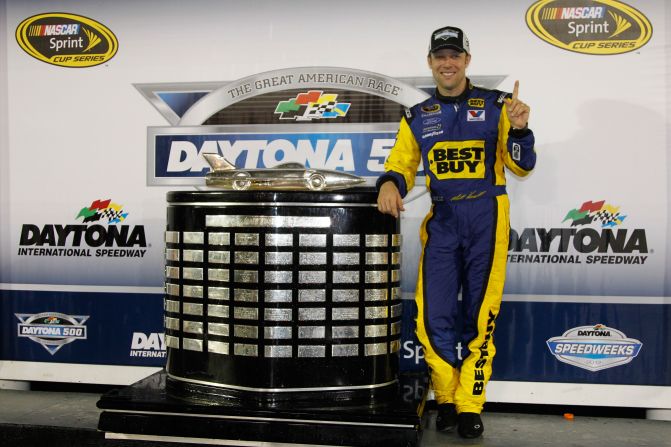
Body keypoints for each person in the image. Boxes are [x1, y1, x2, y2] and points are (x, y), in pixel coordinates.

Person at [376, 26, 536, 438]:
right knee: (433, 317)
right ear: (430, 63)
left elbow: (521, 165)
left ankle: (468, 405)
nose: (448, 63)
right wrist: (390, 183)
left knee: (480, 317)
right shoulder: (417, 115)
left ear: (467, 60)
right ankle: (445, 398)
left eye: (455, 55)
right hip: (443, 220)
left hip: (487, 217)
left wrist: (519, 129)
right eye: (440, 56)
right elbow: (400, 164)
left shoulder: (498, 104)